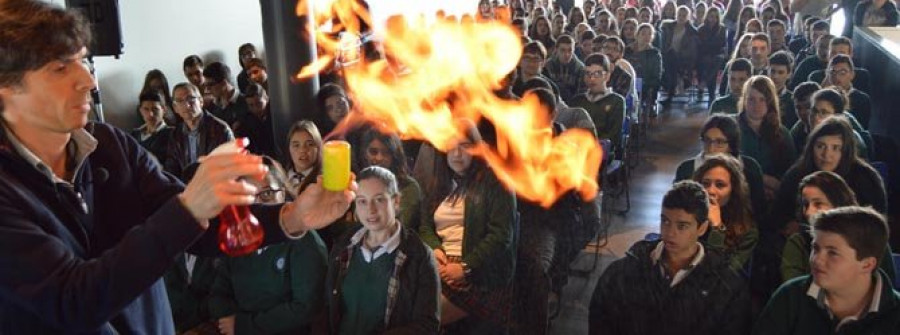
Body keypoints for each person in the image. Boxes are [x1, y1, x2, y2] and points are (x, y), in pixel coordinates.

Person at [0, 1, 355, 333]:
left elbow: (202, 228)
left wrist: (292, 216)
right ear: (6, 88)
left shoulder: (109, 145)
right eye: (60, 68)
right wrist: (186, 210)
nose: (89, 81)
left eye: (83, 61)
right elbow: (73, 301)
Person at [589, 181, 752, 334]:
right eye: (665, 221)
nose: (670, 232)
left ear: (702, 228)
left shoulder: (725, 286)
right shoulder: (622, 273)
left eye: (682, 226)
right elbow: (601, 323)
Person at [208, 156, 328, 335]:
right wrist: (228, 321)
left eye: (266, 194)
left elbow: (305, 308)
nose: (258, 205)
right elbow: (219, 292)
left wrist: (244, 326)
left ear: (284, 193)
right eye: (248, 196)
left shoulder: (303, 240)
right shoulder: (238, 236)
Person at [418, 124, 518, 333]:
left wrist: (465, 267)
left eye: (464, 146)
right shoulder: (440, 182)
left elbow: (501, 235)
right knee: (401, 304)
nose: (457, 153)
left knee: (422, 319)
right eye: (451, 146)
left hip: (480, 276)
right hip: (442, 267)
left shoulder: (496, 182)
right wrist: (435, 250)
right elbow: (425, 226)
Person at [325, 166, 440, 334]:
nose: (370, 210)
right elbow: (328, 306)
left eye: (379, 199)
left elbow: (427, 325)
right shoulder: (344, 246)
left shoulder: (420, 256)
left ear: (396, 201)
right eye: (362, 201)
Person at [753, 206, 900, 334]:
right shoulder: (790, 296)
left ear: (867, 265)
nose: (817, 260)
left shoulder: (894, 313)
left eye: (833, 253)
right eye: (815, 248)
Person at [773, 116, 887, 233]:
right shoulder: (796, 174)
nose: (826, 154)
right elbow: (779, 216)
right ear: (811, 148)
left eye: (835, 148)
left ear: (846, 150)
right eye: (820, 146)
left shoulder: (866, 178)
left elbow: (875, 226)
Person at [780, 171, 895, 283]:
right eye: (805, 205)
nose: (808, 212)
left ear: (838, 205)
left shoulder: (872, 238)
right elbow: (796, 292)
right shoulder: (798, 243)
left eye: (818, 204)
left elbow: (886, 287)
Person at [675, 115, 767, 220]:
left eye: (719, 142)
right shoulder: (686, 169)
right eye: (707, 140)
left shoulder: (750, 168)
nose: (711, 148)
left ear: (732, 145)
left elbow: (760, 213)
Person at [692, 155, 760, 273]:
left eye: (720, 185)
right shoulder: (685, 216)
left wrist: (717, 229)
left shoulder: (747, 231)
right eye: (705, 184)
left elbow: (720, 273)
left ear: (733, 190)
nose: (710, 191)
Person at [736, 75, 797, 204]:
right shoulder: (732, 129)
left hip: (774, 196)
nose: (756, 105)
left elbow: (790, 171)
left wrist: (776, 188)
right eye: (751, 99)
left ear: (770, 102)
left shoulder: (782, 133)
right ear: (744, 101)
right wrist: (763, 180)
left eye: (762, 100)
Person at [163, 83, 234, 180]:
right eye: (180, 101)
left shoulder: (219, 129)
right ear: (175, 108)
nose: (187, 105)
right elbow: (171, 169)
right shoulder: (176, 134)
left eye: (191, 99)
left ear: (201, 101)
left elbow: (229, 166)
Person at [357, 130, 423, 231]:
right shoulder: (357, 184)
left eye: (386, 153)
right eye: (373, 152)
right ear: (365, 153)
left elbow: (396, 227)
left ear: (395, 155)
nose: (379, 158)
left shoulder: (409, 186)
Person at [570, 53, 626, 156]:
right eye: (588, 74)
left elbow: (613, 136)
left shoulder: (616, 101)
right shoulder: (577, 100)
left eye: (597, 74)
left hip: (601, 152)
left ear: (607, 76)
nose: (592, 79)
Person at [625, 23, 663, 114]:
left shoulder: (654, 53)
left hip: (645, 81)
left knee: (640, 87)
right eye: (643, 33)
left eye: (650, 34)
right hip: (628, 80)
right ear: (637, 35)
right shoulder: (628, 50)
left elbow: (657, 73)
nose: (647, 36)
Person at [232, 83, 277, 158]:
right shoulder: (246, 121)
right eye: (251, 105)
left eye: (259, 104)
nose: (255, 109)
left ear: (266, 98)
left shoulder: (277, 114)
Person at [203, 62, 250, 128]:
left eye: (210, 85)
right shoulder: (212, 106)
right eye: (205, 85)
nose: (207, 89)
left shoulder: (247, 102)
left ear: (224, 83)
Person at [130, 91, 172, 163]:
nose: (151, 114)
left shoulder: (171, 134)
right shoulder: (135, 134)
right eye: (146, 109)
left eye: (155, 109)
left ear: (164, 110)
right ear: (141, 110)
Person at [697, 7, 727, 103]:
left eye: (715, 17)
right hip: (704, 55)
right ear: (707, 17)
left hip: (717, 55)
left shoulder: (722, 29)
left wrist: (711, 46)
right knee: (707, 62)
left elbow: (721, 44)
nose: (713, 19)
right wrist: (711, 46)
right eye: (711, 16)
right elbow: (701, 45)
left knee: (716, 60)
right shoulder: (701, 29)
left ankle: (704, 83)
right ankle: (711, 93)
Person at [544, 34, 586, 104]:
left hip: (572, 104)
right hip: (551, 102)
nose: (566, 54)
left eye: (570, 50)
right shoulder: (548, 65)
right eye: (563, 50)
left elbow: (580, 95)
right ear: (556, 49)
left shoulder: (580, 68)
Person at [768, 51, 797, 128]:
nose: (775, 76)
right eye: (772, 71)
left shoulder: (793, 100)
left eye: (780, 72)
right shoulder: (759, 96)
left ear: (789, 75)